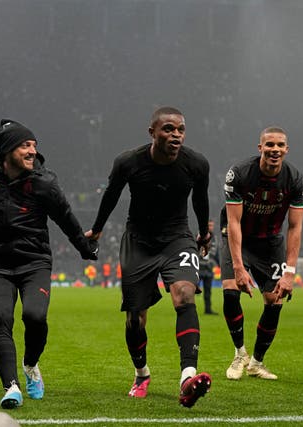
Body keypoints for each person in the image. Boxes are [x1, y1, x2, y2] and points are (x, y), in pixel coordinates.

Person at [0, 119, 98, 409]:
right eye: (25, 145)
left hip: (34, 262)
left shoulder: (44, 183)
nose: (33, 151)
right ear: (8, 150)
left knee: (35, 317)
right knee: (1, 316)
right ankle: (11, 387)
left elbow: (67, 219)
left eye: (34, 145)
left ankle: (31, 364)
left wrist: (85, 249)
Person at [85, 106, 212, 408]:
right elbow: (111, 195)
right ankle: (141, 373)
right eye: (168, 129)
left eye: (180, 129)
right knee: (135, 319)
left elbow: (201, 200)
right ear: (152, 132)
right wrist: (98, 230)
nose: (176, 135)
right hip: (138, 241)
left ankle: (187, 377)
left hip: (177, 238)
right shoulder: (128, 162)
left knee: (184, 295)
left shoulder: (196, 164)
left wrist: (204, 234)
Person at [221, 126, 303, 381]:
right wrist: (238, 266)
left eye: (280, 145)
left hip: (270, 244)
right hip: (239, 239)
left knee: (274, 301)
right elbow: (233, 222)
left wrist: (290, 272)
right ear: (260, 148)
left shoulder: (295, 179)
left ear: (287, 149)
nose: (275, 150)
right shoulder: (239, 174)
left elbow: (295, 227)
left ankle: (256, 363)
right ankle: (239, 354)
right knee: (230, 291)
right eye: (269, 145)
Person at [198, 219, 218, 315]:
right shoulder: (199, 236)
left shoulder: (215, 238)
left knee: (208, 292)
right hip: (199, 268)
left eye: (211, 225)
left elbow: (216, 253)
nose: (211, 227)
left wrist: (218, 264)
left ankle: (208, 310)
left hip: (209, 269)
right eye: (209, 225)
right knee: (191, 290)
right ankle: (188, 310)